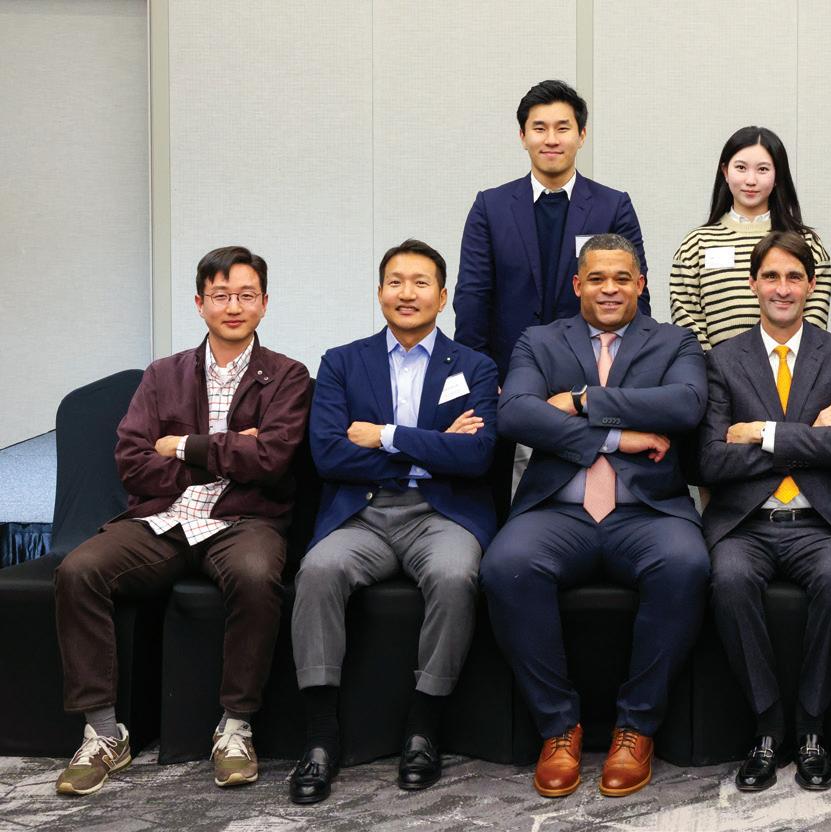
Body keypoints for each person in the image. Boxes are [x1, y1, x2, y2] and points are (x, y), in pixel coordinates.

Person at [53, 246, 311, 795]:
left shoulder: (288, 377)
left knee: (255, 575)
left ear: (265, 303)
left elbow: (272, 461)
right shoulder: (162, 375)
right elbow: (132, 463)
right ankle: (103, 734)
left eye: (246, 295)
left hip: (244, 520)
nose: (233, 307)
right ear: (200, 303)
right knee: (79, 570)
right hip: (163, 520)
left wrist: (182, 445)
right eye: (221, 295)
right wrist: (227, 451)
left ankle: (235, 727)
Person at [481, 234, 709, 799]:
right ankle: (558, 727)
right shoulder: (539, 340)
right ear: (577, 284)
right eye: (598, 279)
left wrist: (584, 400)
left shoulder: (675, 341)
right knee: (507, 565)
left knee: (685, 565)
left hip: (648, 512)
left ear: (641, 285)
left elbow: (684, 405)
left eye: (622, 278)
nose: (610, 289)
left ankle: (637, 727)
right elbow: (516, 413)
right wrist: (617, 437)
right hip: (558, 510)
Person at [287, 239, 498, 804]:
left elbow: (477, 456)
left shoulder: (475, 366)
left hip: (441, 513)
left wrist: (385, 436)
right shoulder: (341, 362)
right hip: (363, 512)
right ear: (380, 291)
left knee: (456, 576)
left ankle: (423, 729)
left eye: (421, 283)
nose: (408, 293)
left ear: (443, 296)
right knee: (317, 571)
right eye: (396, 282)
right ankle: (321, 736)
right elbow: (329, 454)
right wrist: (432, 448)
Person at [698, 232, 831, 792]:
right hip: (745, 524)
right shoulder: (722, 360)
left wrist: (763, 433)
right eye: (771, 276)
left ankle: (811, 728)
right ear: (753, 284)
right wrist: (808, 435)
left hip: (819, 524)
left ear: (811, 285)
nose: (782, 288)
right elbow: (710, 460)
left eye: (794, 277)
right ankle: (768, 728)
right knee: (728, 580)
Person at [454, 79, 649, 522]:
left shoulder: (613, 205)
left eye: (563, 128)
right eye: (539, 128)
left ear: (582, 135)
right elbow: (473, 296)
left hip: (593, 373)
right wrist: (482, 374)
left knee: (588, 483)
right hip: (510, 375)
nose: (551, 139)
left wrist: (625, 375)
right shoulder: (491, 206)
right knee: (508, 499)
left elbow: (635, 294)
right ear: (522, 136)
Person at [669, 126, 831, 350]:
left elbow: (814, 326)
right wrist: (717, 367)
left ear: (778, 176)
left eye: (763, 169)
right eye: (741, 168)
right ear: (725, 171)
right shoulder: (695, 245)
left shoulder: (807, 244)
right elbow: (687, 325)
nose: (750, 180)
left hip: (789, 368)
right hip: (715, 371)